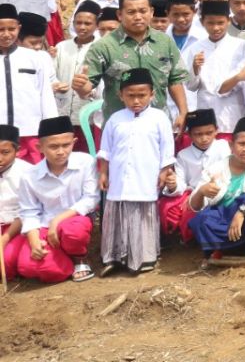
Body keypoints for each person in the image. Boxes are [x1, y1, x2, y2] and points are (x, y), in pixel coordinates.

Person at [77, 0, 189, 133]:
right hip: (120, 128)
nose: (138, 17)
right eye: (131, 12)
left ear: (151, 12)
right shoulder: (104, 46)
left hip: (158, 127)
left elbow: (175, 80)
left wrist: (183, 111)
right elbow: (86, 87)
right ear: (119, 14)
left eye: (143, 11)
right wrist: (80, 86)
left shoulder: (165, 42)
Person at [96, 68, 175, 276]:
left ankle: (144, 257)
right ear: (121, 95)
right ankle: (114, 257)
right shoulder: (115, 119)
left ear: (152, 94)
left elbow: (167, 150)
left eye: (142, 95)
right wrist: (103, 173)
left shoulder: (159, 118)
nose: (136, 100)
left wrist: (164, 171)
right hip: (119, 177)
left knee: (142, 215)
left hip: (145, 175)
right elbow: (105, 150)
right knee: (118, 212)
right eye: (130, 96)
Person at [16, 116, 99, 282]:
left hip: (77, 219)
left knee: (73, 233)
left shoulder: (86, 162)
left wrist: (57, 221)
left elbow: (91, 198)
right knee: (27, 266)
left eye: (66, 145)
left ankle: (79, 258)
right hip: (44, 226)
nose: (61, 151)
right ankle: (63, 260)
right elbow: (29, 211)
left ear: (74, 142)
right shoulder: (29, 176)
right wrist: (34, 241)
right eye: (53, 146)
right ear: (39, 147)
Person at [186, 115, 245, 262]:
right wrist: (202, 191)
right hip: (224, 218)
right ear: (231, 145)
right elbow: (195, 206)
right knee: (202, 218)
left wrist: (241, 212)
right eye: (241, 143)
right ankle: (220, 249)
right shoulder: (216, 168)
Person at [185, 0, 245, 139]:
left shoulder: (241, 46)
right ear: (202, 22)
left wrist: (229, 85)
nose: (216, 28)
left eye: (220, 23)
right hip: (206, 112)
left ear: (228, 21)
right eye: (210, 23)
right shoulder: (195, 48)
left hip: (233, 113)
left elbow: (244, 80)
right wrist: (195, 69)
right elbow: (191, 86)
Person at [159, 109, 229, 242]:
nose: (204, 138)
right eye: (198, 134)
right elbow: (181, 182)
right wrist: (173, 185)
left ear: (216, 130)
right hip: (193, 196)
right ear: (189, 134)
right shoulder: (183, 155)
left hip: (221, 192)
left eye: (209, 133)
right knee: (168, 209)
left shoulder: (224, 147)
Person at [0, 3, 58, 162]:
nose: (6, 34)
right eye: (1, 29)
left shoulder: (35, 58)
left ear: (18, 28)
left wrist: (52, 130)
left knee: (32, 178)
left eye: (11, 29)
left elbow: (45, 95)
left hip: (29, 131)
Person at [0, 123, 33, 276]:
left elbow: (27, 211)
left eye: (5, 152)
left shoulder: (27, 173)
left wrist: (5, 238)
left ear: (17, 151)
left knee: (5, 263)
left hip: (16, 226)